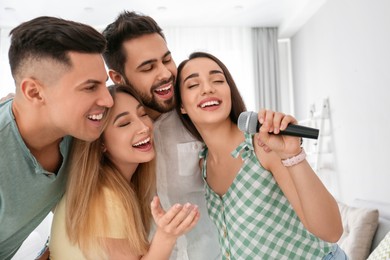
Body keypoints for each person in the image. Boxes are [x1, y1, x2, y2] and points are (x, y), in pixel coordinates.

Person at [174, 52, 348, 259]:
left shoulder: (262, 145)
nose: (208, 88)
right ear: (182, 106)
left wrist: (292, 154)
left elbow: (332, 231)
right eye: (193, 85)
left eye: (218, 80)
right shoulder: (203, 164)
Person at [102, 11, 220, 259]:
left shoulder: (198, 114)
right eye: (148, 67)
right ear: (117, 77)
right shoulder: (109, 137)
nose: (165, 73)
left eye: (167, 60)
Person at [0, 16, 113, 260]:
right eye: (89, 87)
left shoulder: (79, 131)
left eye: (104, 84)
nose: (108, 100)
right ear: (35, 92)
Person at [49, 84, 200, 259]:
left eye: (143, 114)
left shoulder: (110, 189)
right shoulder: (106, 197)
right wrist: (166, 236)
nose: (144, 127)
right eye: (125, 123)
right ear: (101, 144)